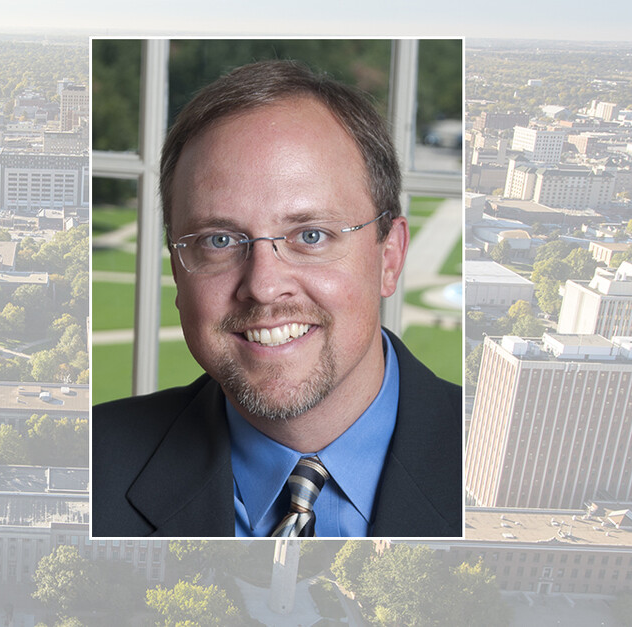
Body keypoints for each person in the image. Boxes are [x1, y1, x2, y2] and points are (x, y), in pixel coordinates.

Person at [92, 60, 461, 537]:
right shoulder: (90, 464)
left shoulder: (504, 468)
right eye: (218, 241)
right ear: (177, 273)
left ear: (389, 257)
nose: (264, 287)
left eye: (310, 235)